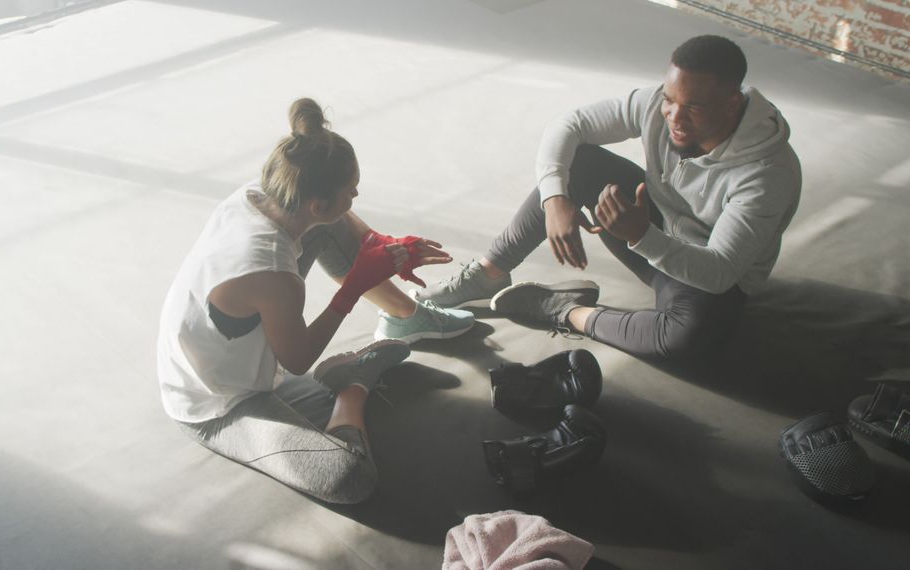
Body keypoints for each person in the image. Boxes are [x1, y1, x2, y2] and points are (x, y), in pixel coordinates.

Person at [156, 98, 473, 503]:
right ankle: (351, 384)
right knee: (349, 478)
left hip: (213, 343)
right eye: (352, 191)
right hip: (217, 404)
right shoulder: (274, 272)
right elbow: (299, 360)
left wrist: (378, 243)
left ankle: (406, 317)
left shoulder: (260, 193)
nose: (357, 194)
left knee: (333, 227)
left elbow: (335, 218)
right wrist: (356, 283)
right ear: (318, 203)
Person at [415, 35, 801, 363]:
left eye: (694, 107)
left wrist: (642, 235)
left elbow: (719, 273)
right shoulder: (659, 106)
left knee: (691, 340)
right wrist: (554, 200)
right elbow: (570, 124)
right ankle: (489, 274)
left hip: (709, 276)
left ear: (732, 103)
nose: (674, 116)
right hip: (647, 224)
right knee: (578, 161)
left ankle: (562, 309)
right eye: (670, 98)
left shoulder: (766, 175)